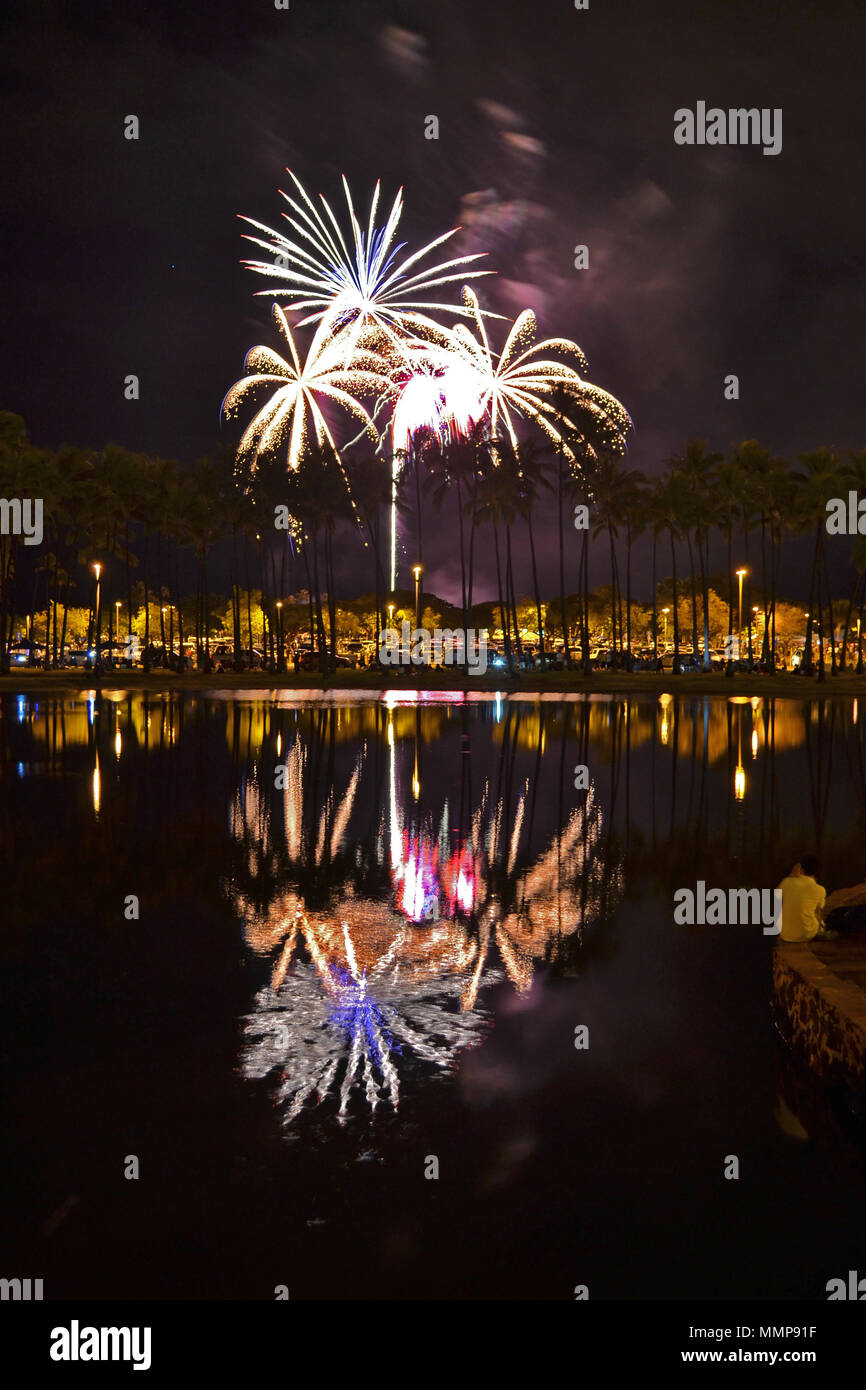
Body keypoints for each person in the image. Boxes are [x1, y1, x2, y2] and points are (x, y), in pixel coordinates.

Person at [776, 856, 838, 942]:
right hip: (806, 935)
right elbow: (819, 910)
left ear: (801, 869)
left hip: (785, 934)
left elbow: (776, 895)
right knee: (817, 910)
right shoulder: (820, 889)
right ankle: (822, 931)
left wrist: (791, 875)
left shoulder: (786, 882)